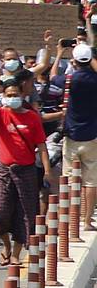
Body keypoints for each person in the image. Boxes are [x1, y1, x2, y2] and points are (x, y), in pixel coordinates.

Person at [0, 67, 50, 266]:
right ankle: (6, 247)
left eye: (15, 95)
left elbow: (42, 145)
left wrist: (47, 170)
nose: (12, 98)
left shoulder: (32, 116)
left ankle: (17, 253)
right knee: (1, 211)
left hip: (26, 170)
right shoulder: (1, 114)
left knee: (25, 213)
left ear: (21, 94)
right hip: (4, 170)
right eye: (8, 95)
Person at [61, 43, 97, 231]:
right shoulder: (95, 79)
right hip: (92, 136)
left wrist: (59, 53)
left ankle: (69, 221)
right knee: (91, 181)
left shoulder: (69, 80)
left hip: (72, 136)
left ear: (73, 60)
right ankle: (87, 220)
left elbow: (51, 79)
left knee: (68, 180)